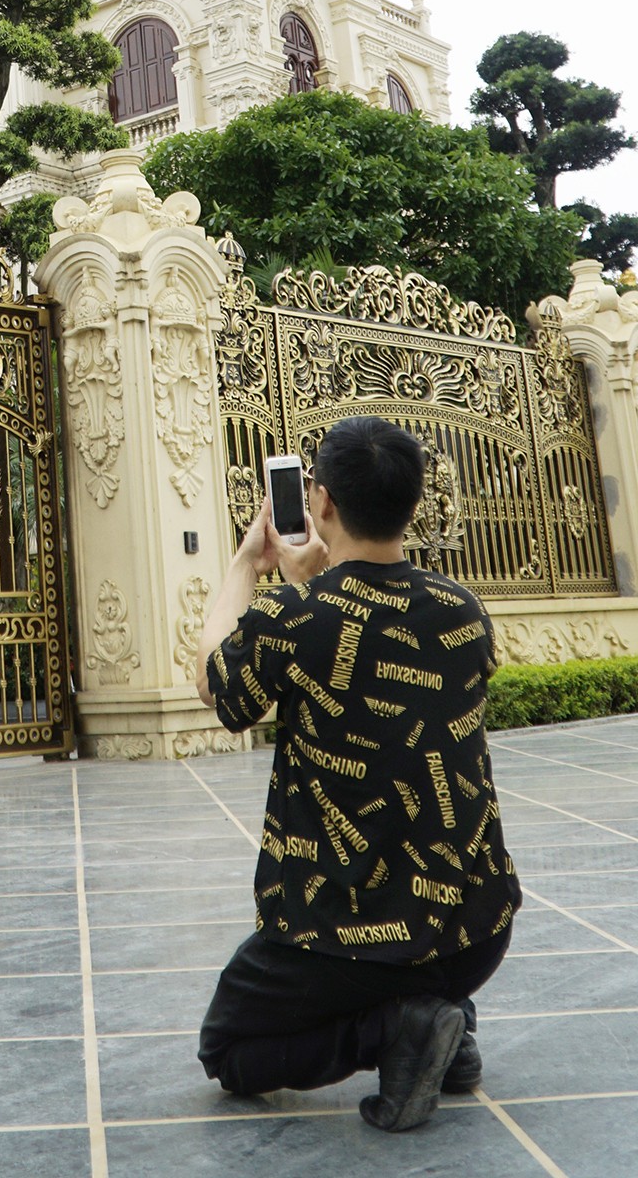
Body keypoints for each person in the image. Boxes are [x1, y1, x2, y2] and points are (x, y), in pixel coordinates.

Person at [195, 415, 521, 1133]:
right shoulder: (463, 611)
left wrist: (250, 566)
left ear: (323, 503)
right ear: (410, 504)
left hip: (354, 934)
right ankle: (445, 1023)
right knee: (421, 970)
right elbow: (371, 638)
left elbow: (217, 685)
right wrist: (316, 590)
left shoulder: (295, 614)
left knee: (230, 1049)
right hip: (476, 930)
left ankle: (397, 1031)